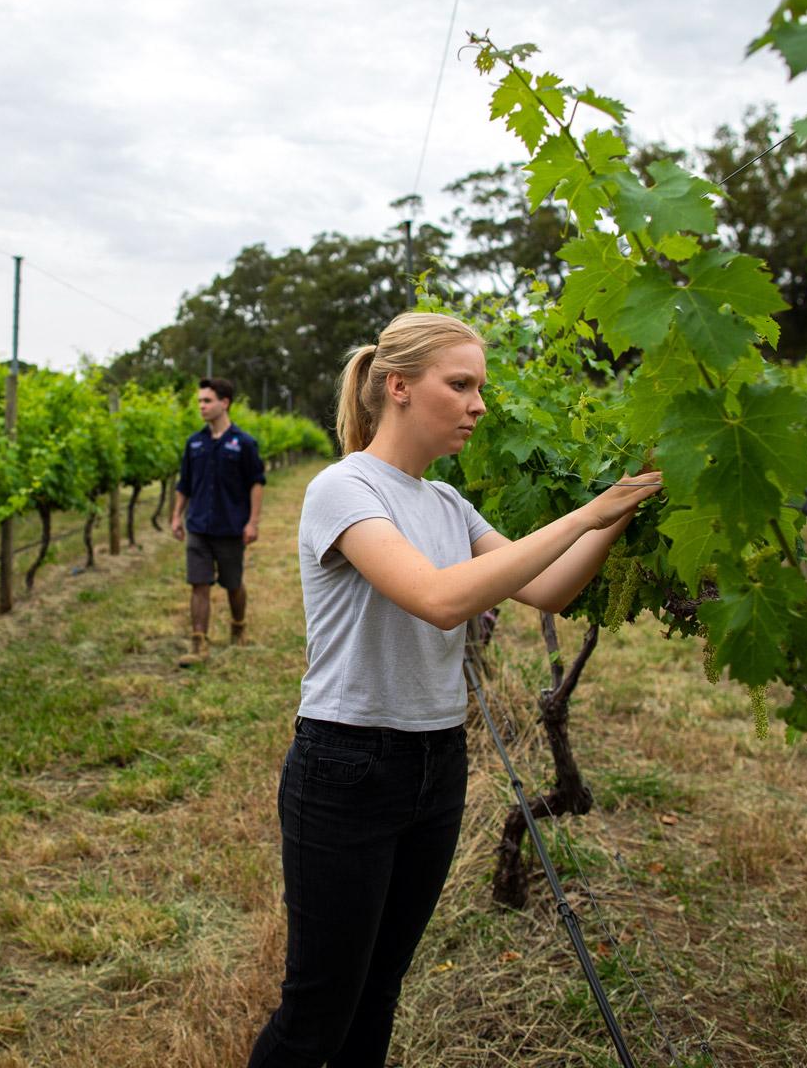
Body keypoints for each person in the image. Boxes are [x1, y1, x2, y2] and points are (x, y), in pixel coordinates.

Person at [246, 312, 662, 1067]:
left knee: (379, 990)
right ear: (398, 387)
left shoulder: (447, 504)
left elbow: (553, 589)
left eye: (481, 387)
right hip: (348, 766)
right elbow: (439, 597)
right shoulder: (344, 488)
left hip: (436, 763)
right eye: (461, 384)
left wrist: (622, 506)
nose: (478, 404)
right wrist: (584, 511)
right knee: (319, 1008)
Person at [170, 375, 267, 666]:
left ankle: (238, 626)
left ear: (224, 403)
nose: (201, 406)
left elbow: (256, 482)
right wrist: (176, 516)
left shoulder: (244, 443)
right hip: (198, 526)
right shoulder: (194, 443)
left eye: (207, 400)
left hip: (230, 528)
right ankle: (198, 643)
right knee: (198, 584)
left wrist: (253, 522)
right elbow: (184, 483)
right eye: (199, 401)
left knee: (232, 583)